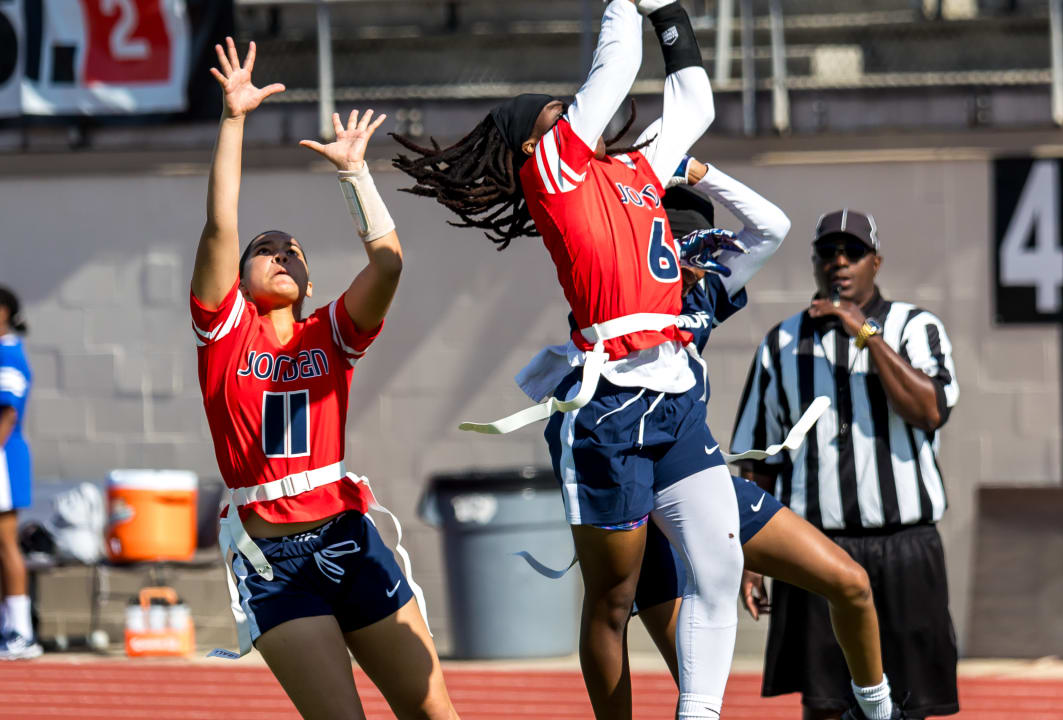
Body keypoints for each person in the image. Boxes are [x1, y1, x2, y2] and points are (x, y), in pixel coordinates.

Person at [393, 3, 743, 719]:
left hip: (673, 390)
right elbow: (614, 72)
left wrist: (671, 14)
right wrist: (625, 3)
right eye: (556, 112)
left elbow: (695, 100)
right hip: (610, 404)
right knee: (613, 601)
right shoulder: (551, 174)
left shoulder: (634, 169)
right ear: (530, 146)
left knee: (721, 565)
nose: (574, 115)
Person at [192, 38, 457, 719]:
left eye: (292, 252)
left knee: (436, 714)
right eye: (264, 250)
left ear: (309, 280)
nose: (278, 253)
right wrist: (234, 119)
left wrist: (355, 175)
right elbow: (223, 222)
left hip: (346, 534)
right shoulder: (224, 333)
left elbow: (390, 264)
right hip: (272, 558)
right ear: (241, 277)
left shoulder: (330, 333)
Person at [627, 161, 904, 720]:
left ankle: (878, 714)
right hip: (628, 476)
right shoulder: (620, 294)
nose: (702, 264)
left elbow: (768, 227)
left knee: (849, 583)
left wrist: (698, 172)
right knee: (656, 647)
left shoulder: (703, 293)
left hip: (691, 470)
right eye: (686, 250)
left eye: (705, 251)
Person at [730, 209, 961, 720]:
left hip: (903, 546)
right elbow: (761, 460)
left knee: (909, 705)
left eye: (852, 252)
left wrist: (867, 333)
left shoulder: (915, 328)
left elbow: (929, 411)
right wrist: (752, 559)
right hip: (816, 548)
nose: (839, 263)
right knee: (827, 705)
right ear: (814, 263)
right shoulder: (781, 343)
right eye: (828, 253)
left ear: (875, 262)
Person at [0, 286, 39, 661]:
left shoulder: (8, 353)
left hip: (4, 463)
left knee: (5, 542)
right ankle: (9, 627)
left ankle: (21, 632)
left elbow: (7, 413)